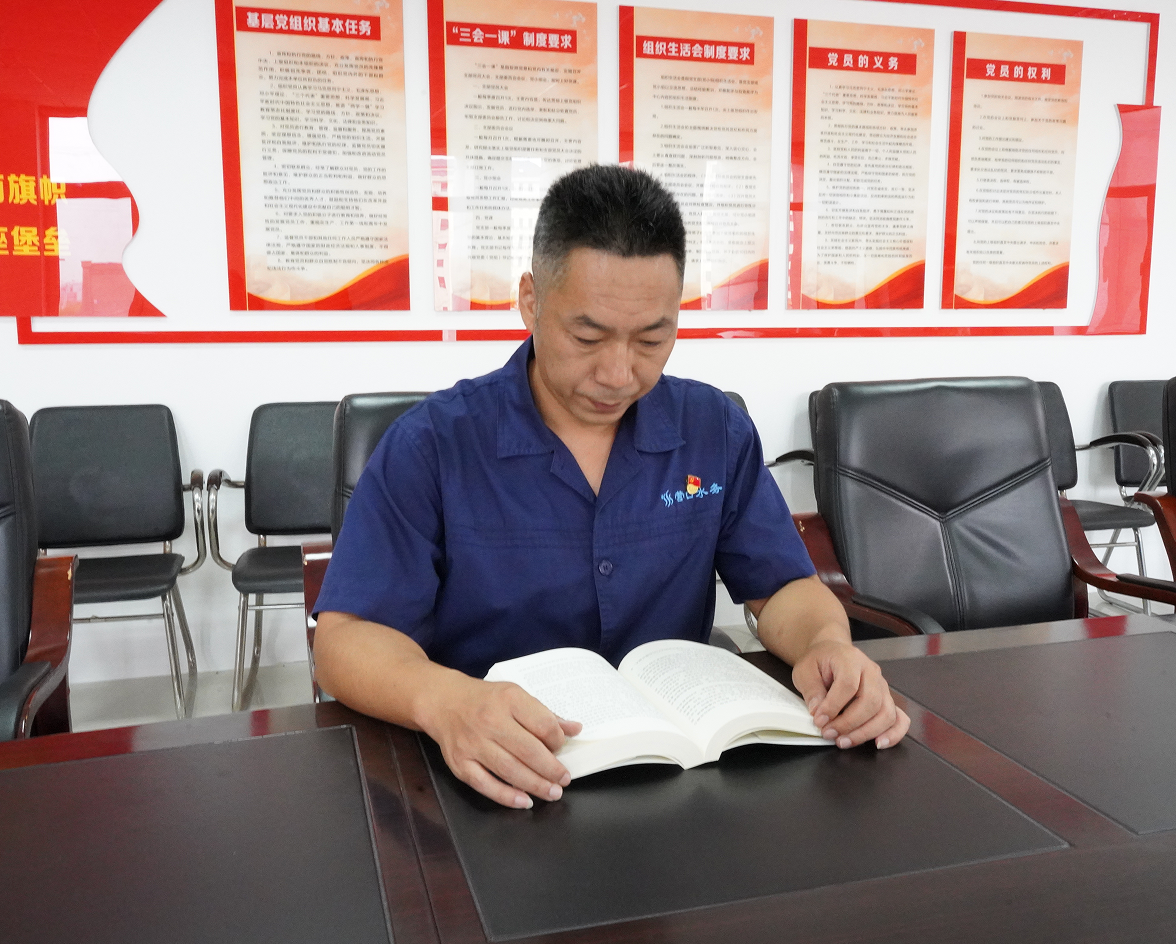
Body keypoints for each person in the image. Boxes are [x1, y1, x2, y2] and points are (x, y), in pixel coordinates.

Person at [313, 165, 909, 810]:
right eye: (588, 337)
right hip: (496, 772)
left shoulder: (712, 429)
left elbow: (783, 587)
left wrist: (827, 647)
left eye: (652, 339)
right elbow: (346, 638)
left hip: (677, 783)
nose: (619, 373)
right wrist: (444, 700)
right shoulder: (433, 445)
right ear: (530, 300)